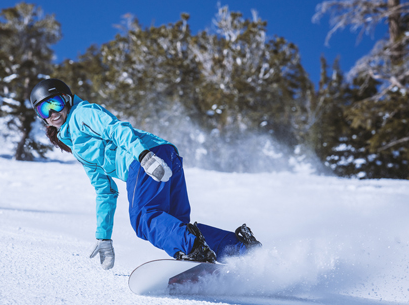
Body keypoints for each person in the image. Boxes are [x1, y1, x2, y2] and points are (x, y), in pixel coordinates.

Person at [29, 78, 261, 270]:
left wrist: (143, 156)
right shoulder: (78, 148)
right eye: (44, 109)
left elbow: (116, 128)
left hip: (144, 157)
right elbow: (105, 191)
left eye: (56, 104)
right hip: (164, 154)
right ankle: (241, 250)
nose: (52, 113)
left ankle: (195, 252)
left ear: (67, 100)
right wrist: (104, 237)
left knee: (144, 218)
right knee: (175, 226)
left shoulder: (83, 113)